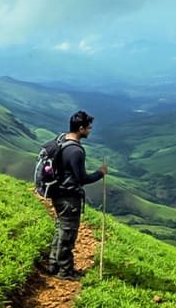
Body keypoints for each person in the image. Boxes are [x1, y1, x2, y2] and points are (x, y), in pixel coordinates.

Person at [47, 110, 107, 280]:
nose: (90, 130)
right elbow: (82, 178)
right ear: (81, 128)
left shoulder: (62, 141)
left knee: (61, 229)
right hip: (68, 197)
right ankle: (65, 271)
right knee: (68, 234)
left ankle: (53, 264)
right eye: (88, 128)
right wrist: (100, 173)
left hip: (57, 193)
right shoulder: (76, 151)